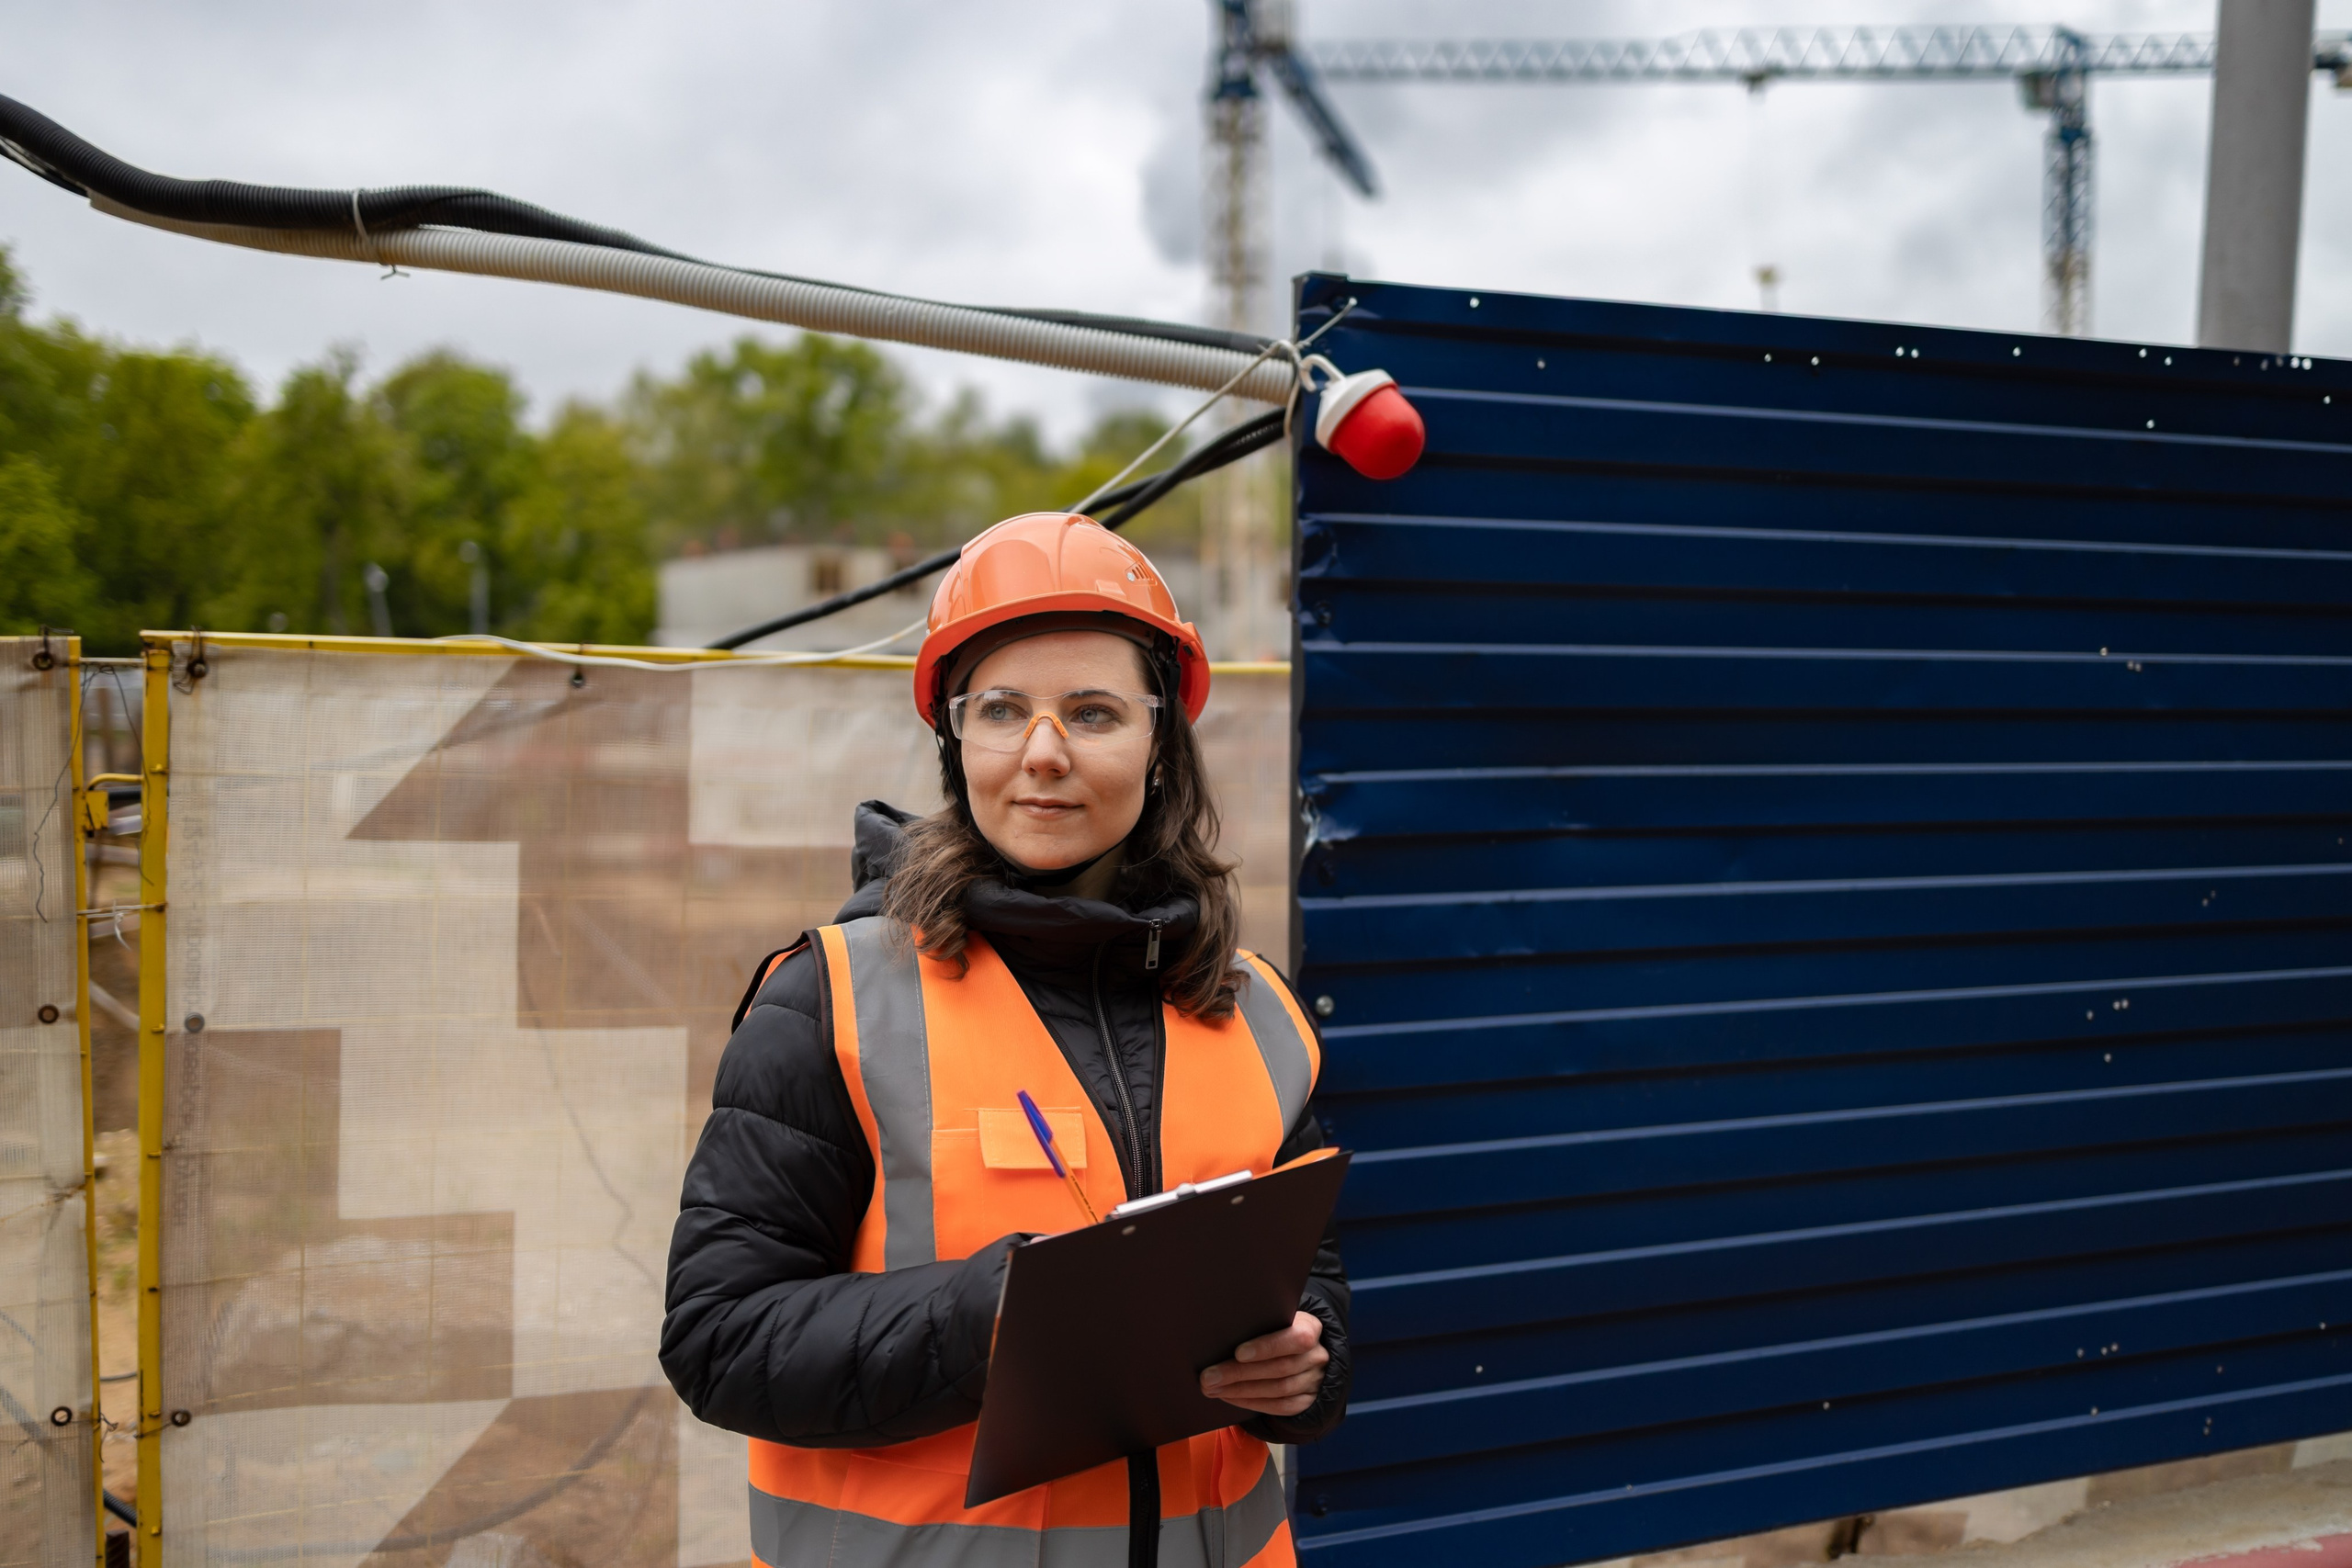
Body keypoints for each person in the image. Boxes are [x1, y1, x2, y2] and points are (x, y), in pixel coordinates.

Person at [662, 512, 1351, 1568]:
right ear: (953, 737)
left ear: (1161, 742)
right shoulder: (832, 1001)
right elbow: (719, 1338)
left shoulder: (1261, 1014)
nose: (1043, 754)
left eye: (1093, 711)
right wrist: (988, 1316)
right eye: (1001, 710)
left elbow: (1313, 1289)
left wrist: (1304, 1371)